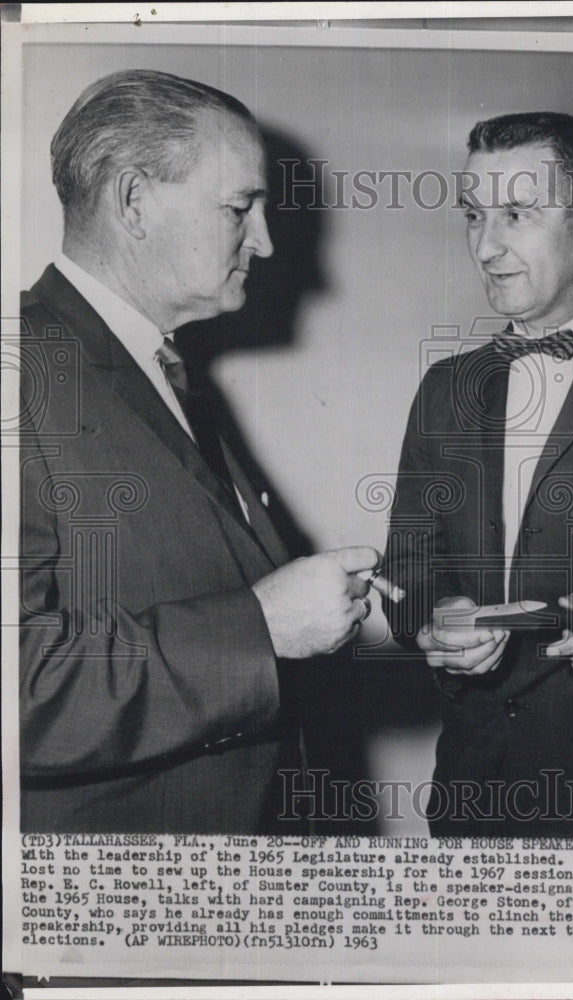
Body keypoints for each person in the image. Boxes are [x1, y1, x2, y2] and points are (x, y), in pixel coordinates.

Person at [18, 69, 382, 833]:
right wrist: (261, 628)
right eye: (240, 207)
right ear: (134, 202)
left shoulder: (160, 371)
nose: (268, 240)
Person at [383, 112, 573, 838]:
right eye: (474, 215)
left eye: (517, 214)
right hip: (472, 786)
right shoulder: (445, 387)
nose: (485, 245)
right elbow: (409, 562)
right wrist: (429, 621)